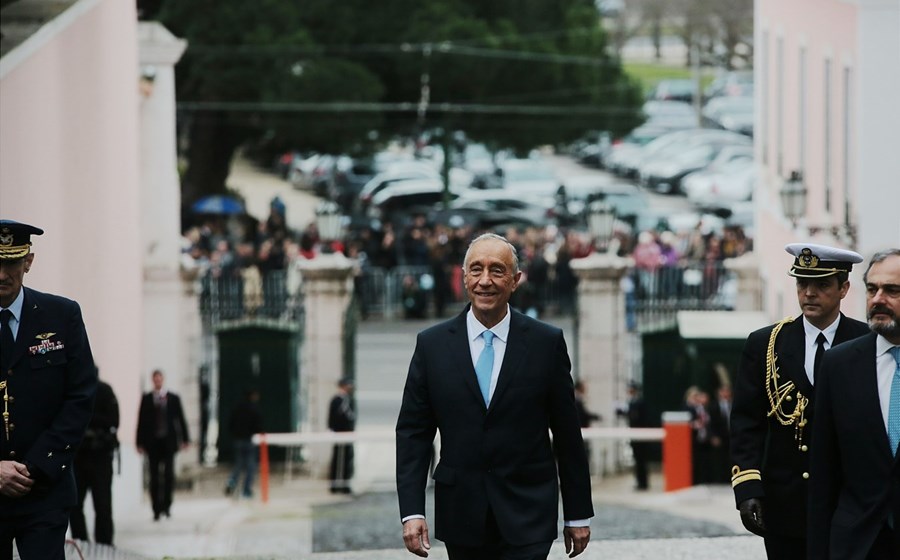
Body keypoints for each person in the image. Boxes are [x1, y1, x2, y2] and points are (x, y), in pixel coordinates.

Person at [396, 232, 593, 559]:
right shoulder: (432, 346)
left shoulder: (546, 344)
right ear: (463, 277)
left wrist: (577, 512)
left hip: (528, 509)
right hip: (461, 511)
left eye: (496, 270)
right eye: (476, 269)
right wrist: (412, 512)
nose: (485, 280)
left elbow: (567, 433)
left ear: (515, 280)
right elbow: (414, 433)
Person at [730, 242, 870, 559]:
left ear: (844, 288)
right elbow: (745, 422)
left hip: (848, 503)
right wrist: (747, 488)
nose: (809, 293)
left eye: (821, 284)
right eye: (802, 283)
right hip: (785, 505)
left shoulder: (868, 344)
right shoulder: (766, 343)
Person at [0, 219, 97, 559]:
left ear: (28, 261)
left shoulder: (62, 316)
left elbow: (81, 395)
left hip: (44, 489)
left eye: (10, 262)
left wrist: (38, 465)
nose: (1, 274)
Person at [808, 248, 900, 559]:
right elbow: (823, 470)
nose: (877, 299)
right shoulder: (839, 364)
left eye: (892, 290)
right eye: (872, 289)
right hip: (858, 544)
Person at [70, 372, 119, 545]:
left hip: (100, 456)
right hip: (79, 456)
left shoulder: (104, 391)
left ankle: (104, 543)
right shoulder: (74, 392)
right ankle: (81, 540)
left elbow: (113, 420)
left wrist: (89, 418)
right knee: (75, 504)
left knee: (103, 504)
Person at [136, 369, 190, 521]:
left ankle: (167, 506)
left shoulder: (173, 398)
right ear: (153, 380)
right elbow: (141, 421)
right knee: (154, 477)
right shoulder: (147, 399)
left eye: (159, 378)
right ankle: (156, 509)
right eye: (155, 379)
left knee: (168, 475)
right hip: (152, 443)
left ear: (163, 380)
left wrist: (185, 439)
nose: (157, 381)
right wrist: (139, 442)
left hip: (169, 442)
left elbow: (180, 419)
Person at [224, 388, 262, 499]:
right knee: (251, 466)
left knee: (239, 464)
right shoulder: (254, 409)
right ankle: (246, 490)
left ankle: (232, 480)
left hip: (238, 440)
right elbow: (258, 425)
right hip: (249, 440)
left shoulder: (237, 408)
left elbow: (230, 424)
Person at [618, 381, 651, 491]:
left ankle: (643, 482)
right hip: (634, 434)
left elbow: (641, 417)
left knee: (642, 460)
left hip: (640, 434)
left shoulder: (640, 402)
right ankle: (639, 481)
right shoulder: (631, 402)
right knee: (637, 459)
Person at [327, 378, 356, 495]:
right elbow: (332, 417)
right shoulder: (337, 400)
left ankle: (345, 484)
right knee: (337, 458)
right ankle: (335, 484)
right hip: (339, 433)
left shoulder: (348, 400)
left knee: (347, 459)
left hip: (347, 434)